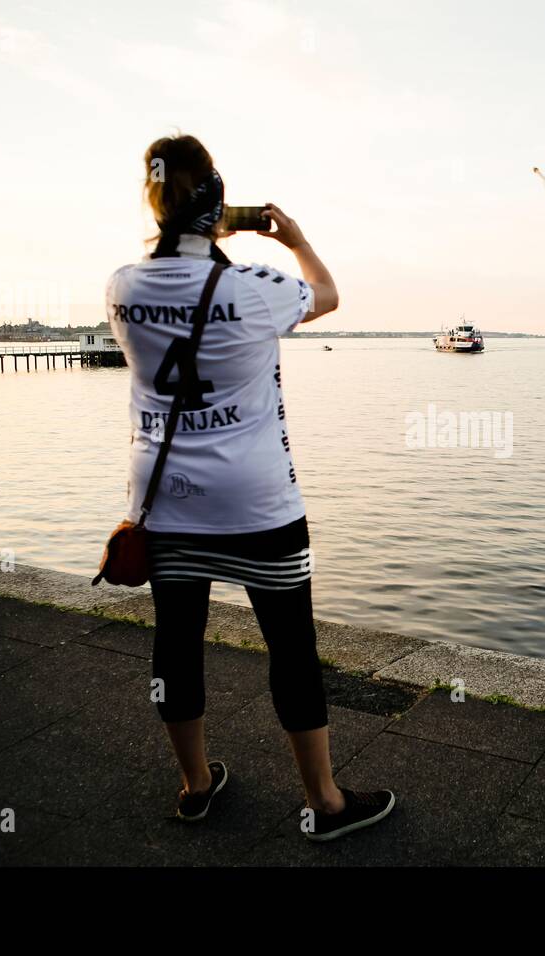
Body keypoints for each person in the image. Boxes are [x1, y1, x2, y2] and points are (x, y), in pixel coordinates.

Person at [106, 134, 395, 840]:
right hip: (256, 503)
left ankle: (196, 784)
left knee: (177, 643)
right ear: (216, 197)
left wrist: (208, 221)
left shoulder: (121, 286)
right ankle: (325, 804)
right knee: (290, 647)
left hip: (165, 500)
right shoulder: (254, 288)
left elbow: (174, 260)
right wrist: (291, 237)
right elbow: (327, 294)